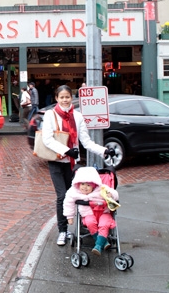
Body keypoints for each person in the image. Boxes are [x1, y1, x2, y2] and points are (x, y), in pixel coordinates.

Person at [41, 85, 115, 246]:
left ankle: (84, 225)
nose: (65, 100)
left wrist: (104, 151)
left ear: (71, 98)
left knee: (75, 196)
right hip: (56, 161)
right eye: (62, 97)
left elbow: (86, 142)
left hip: (71, 164)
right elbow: (47, 139)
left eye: (67, 97)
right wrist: (68, 150)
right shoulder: (50, 115)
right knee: (62, 196)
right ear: (56, 98)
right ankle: (62, 231)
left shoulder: (78, 116)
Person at [63, 166, 119, 255]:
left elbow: (115, 194)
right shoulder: (74, 192)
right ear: (78, 184)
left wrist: (111, 195)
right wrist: (69, 216)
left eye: (88, 185)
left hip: (103, 212)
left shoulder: (101, 189)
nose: (85, 187)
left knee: (104, 224)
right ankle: (102, 243)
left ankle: (98, 246)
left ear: (94, 186)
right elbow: (68, 203)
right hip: (88, 214)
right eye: (83, 184)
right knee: (90, 222)